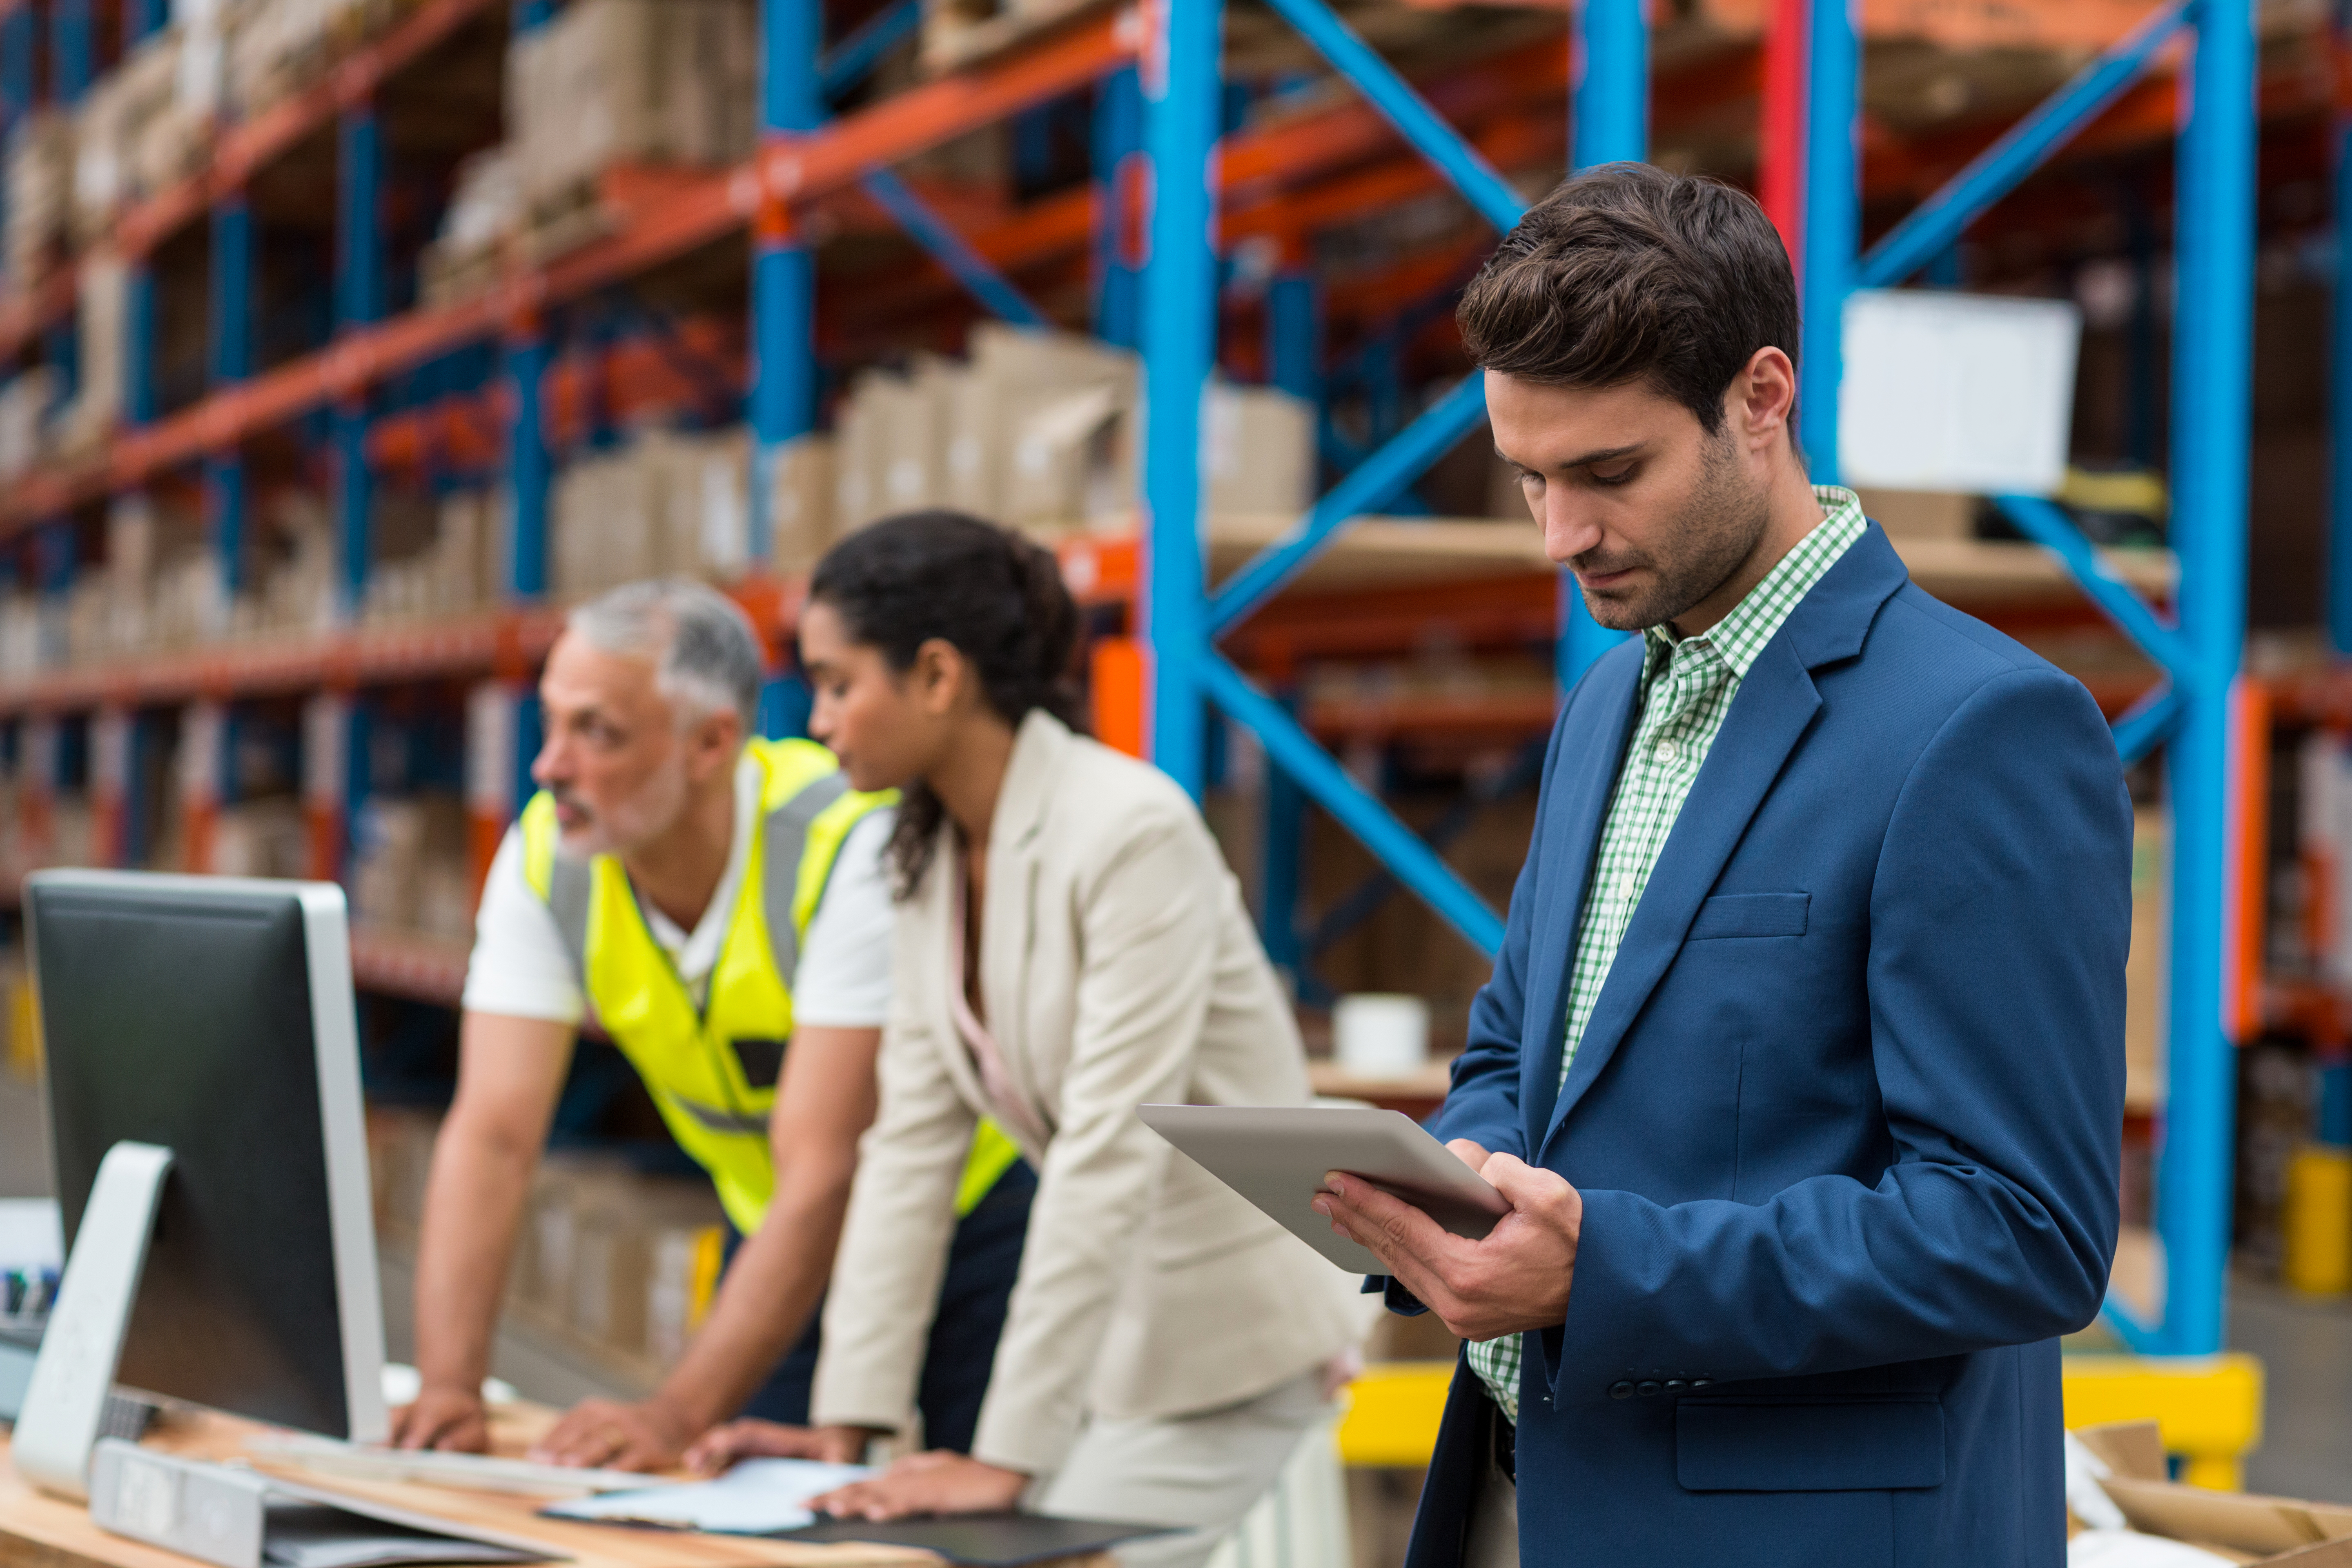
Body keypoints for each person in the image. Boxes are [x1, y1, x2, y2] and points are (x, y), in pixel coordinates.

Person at [1311, 164, 2130, 1568]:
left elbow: (2021, 1230)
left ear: (1761, 401)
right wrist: (1464, 1189)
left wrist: (1604, 1269)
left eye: (1609, 474)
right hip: (1544, 1493)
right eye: (1528, 480)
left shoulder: (1980, 729)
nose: (1561, 535)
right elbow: (1523, 1051)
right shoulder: (1609, 703)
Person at [685, 514, 1372, 1568]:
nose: (817, 720)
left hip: (1225, 1341)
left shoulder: (1130, 831)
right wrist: (847, 1427)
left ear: (938, 676)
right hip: (1112, 1344)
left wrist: (1002, 1460)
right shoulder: (922, 851)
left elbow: (1108, 1154)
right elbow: (909, 1151)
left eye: (837, 683)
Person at [389, 578, 1034, 1470]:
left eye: (596, 732)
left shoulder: (848, 845)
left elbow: (826, 1168)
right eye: (550, 723)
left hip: (973, 1223)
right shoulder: (553, 857)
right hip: (775, 1224)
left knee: (990, 1520)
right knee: (748, 1508)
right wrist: (449, 1392)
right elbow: (494, 1133)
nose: (550, 767)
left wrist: (673, 1412)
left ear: (711, 744)